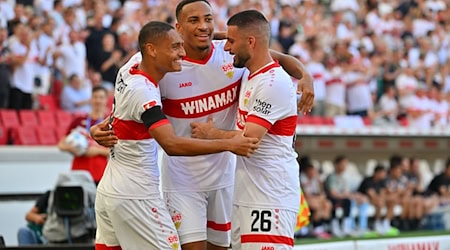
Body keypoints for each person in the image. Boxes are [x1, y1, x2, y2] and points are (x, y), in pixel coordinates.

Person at [91, 1, 314, 250]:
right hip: (181, 178)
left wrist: (305, 75)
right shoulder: (165, 60)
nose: (203, 25)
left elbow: (274, 58)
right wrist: (106, 124)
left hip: (227, 176)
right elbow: (133, 98)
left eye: (208, 19)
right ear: (178, 27)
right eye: (194, 20)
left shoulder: (231, 54)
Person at [94, 21, 259, 250]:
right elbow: (170, 144)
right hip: (137, 194)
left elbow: (119, 114)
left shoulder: (128, 70)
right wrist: (230, 143)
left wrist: (98, 128)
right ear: (152, 50)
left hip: (110, 189)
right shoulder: (145, 93)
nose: (181, 52)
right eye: (174, 47)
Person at [189, 10, 300, 249]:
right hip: (247, 195)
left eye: (231, 41)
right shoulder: (252, 75)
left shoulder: (274, 83)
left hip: (270, 196)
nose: (226, 48)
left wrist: (212, 134)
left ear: (251, 42)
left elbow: (248, 142)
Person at [58, 86, 110, 185]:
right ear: (91, 99)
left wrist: (97, 151)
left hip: (100, 173)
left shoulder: (111, 122)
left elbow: (118, 150)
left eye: (101, 97)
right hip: (78, 171)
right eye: (95, 97)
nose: (98, 100)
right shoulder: (79, 120)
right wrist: (72, 148)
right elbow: (61, 144)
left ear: (106, 100)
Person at [358, 165, 397, 235]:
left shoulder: (382, 182)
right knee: (380, 202)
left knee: (392, 201)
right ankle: (377, 223)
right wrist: (383, 198)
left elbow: (385, 193)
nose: (385, 174)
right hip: (364, 201)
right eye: (383, 173)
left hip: (378, 200)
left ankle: (386, 223)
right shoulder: (368, 181)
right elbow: (372, 196)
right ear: (377, 173)